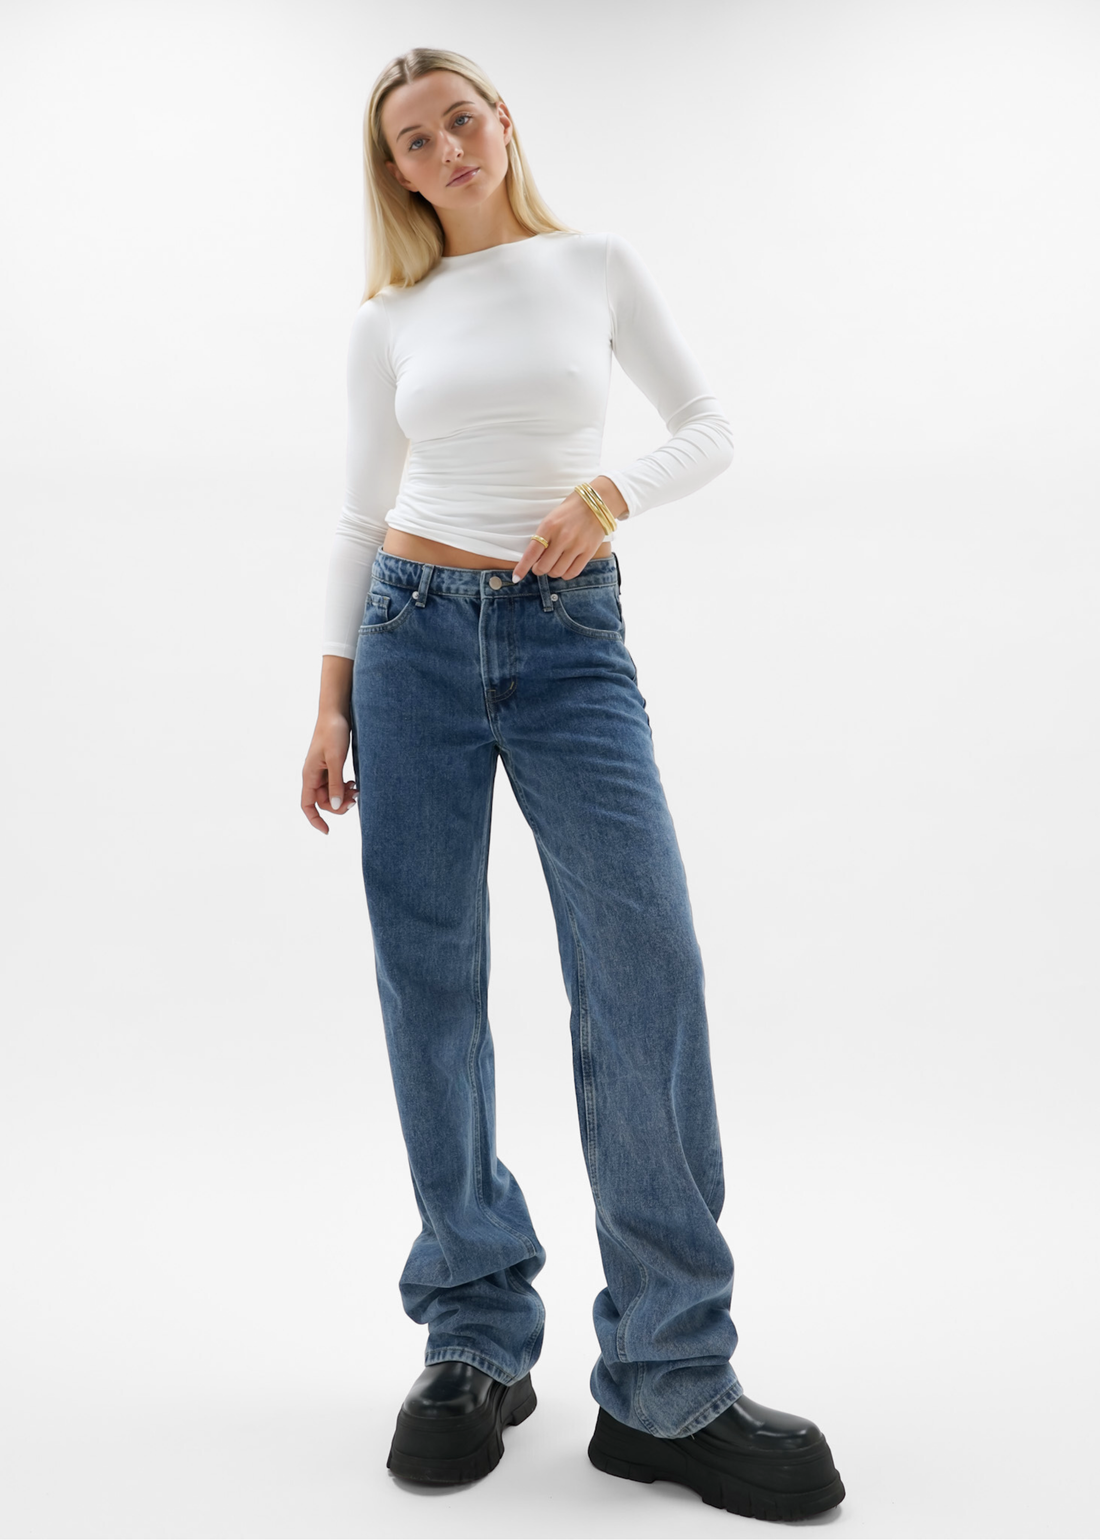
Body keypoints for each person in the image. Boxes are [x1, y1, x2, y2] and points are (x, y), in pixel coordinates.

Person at [300, 47, 845, 1524]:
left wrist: (610, 495)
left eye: (460, 119)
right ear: (398, 174)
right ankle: (474, 1336)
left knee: (644, 964)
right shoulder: (388, 320)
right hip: (410, 637)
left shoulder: (593, 265)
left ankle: (668, 1379)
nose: (447, 149)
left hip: (567, 645)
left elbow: (708, 425)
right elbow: (357, 511)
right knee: (430, 977)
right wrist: (331, 696)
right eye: (415, 141)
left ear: (502, 122)